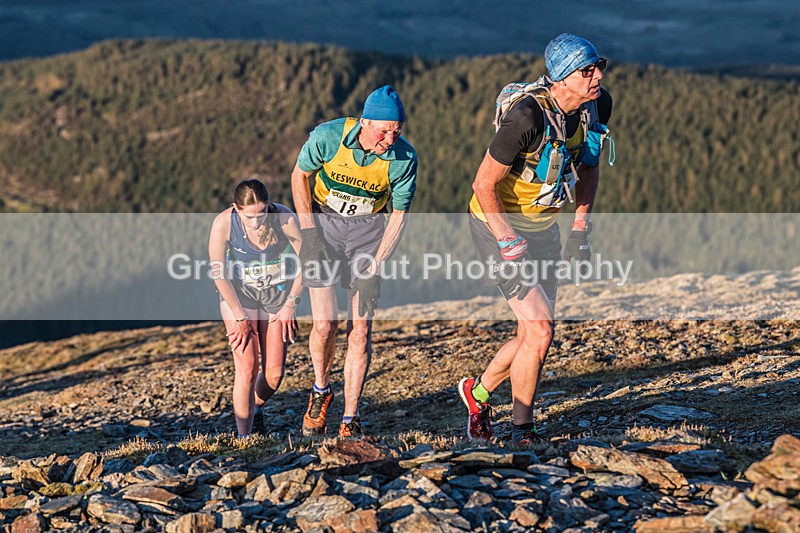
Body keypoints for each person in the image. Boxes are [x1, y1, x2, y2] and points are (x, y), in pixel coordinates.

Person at [459, 33, 614, 444]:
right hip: (497, 227)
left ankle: (477, 395)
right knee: (541, 329)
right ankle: (523, 432)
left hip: (544, 227)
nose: (598, 76)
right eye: (587, 70)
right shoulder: (527, 118)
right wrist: (508, 241)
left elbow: (589, 166)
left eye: (598, 66)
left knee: (532, 333)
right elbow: (482, 184)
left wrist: (580, 229)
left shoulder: (597, 105)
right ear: (562, 78)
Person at [290, 85, 418, 438]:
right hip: (324, 226)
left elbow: (399, 216)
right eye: (384, 131)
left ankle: (350, 417)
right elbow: (300, 176)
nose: (390, 140)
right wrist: (309, 234)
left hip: (368, 233)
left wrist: (375, 267)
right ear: (365, 122)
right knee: (324, 325)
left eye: (397, 132)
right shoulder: (328, 137)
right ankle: (321, 391)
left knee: (359, 332)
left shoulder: (404, 159)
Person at [208, 179, 303, 438]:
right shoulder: (224, 223)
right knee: (247, 367)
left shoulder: (283, 218)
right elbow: (218, 274)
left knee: (274, 375)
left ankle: (255, 408)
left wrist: (291, 304)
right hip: (240, 297)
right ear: (236, 209)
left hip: (276, 296)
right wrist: (239, 317)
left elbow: (309, 261)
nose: (257, 221)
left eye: (262, 214)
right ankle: (245, 437)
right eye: (249, 216)